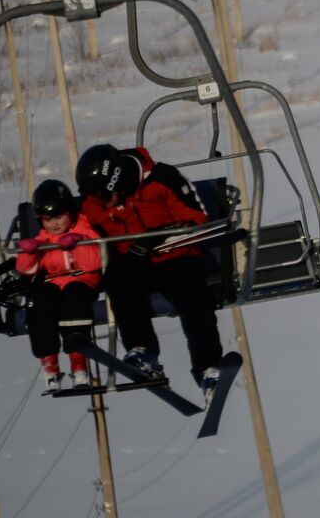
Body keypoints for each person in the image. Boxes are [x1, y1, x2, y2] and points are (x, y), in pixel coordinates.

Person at [74, 144, 224, 399]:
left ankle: (207, 368)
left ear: (117, 181)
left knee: (190, 293)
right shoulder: (92, 203)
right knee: (118, 277)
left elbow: (197, 218)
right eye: (95, 196)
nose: (100, 202)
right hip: (134, 263)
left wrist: (156, 238)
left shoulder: (162, 179)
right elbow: (82, 234)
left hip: (178, 254)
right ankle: (142, 351)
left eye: (103, 194)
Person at [16, 180, 102, 392]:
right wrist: (28, 253)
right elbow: (28, 271)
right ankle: (50, 365)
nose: (54, 224)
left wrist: (78, 243)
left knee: (73, 296)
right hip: (53, 283)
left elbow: (94, 263)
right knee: (41, 300)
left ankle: (79, 363)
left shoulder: (85, 229)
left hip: (82, 281)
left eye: (58, 216)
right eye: (47, 219)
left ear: (69, 212)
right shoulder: (44, 239)